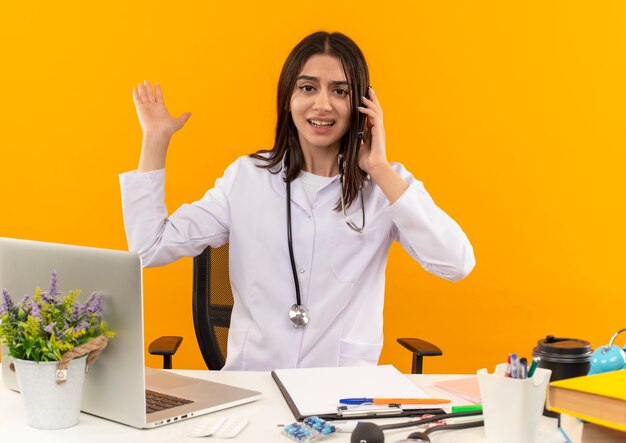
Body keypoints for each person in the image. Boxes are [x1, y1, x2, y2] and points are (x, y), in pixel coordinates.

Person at [119, 31, 475, 371]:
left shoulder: (385, 185)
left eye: (340, 91)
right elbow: (148, 248)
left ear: (363, 105)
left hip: (339, 392)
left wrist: (379, 168)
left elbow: (456, 263)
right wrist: (155, 139)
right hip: (254, 384)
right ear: (288, 98)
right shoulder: (246, 177)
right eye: (308, 88)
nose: (323, 104)